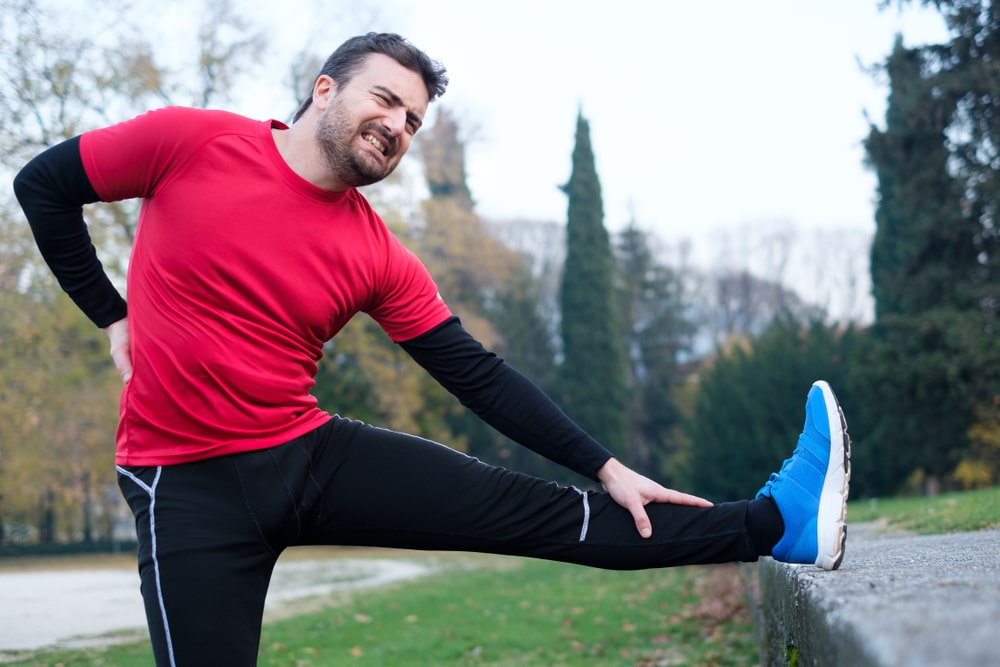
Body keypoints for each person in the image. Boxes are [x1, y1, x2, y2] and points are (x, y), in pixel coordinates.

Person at [13, 32, 850, 667]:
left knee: (544, 513)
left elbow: (475, 374)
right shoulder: (190, 143)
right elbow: (43, 186)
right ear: (325, 88)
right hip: (184, 481)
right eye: (384, 101)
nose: (396, 126)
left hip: (305, 453)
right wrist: (110, 313)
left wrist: (604, 464)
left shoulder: (375, 252)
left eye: (412, 120)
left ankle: (777, 523)